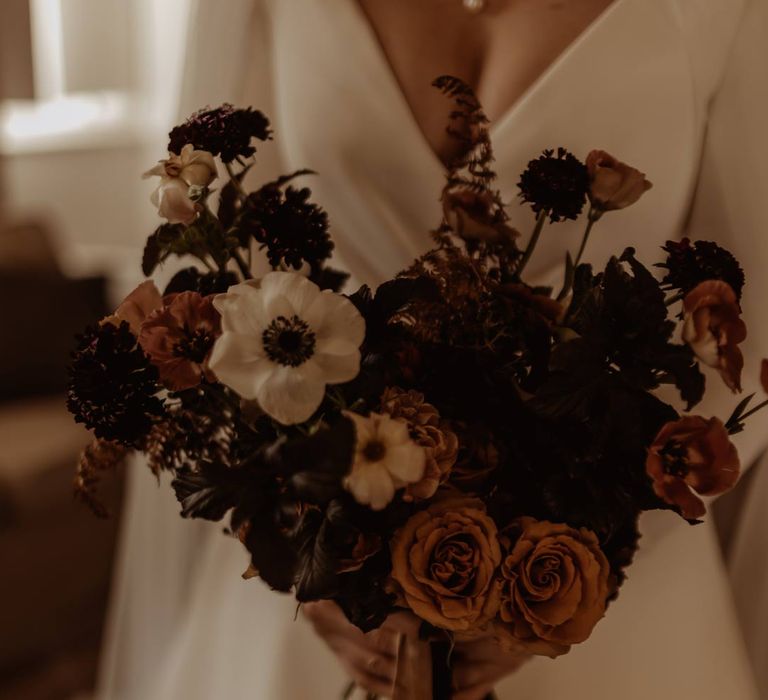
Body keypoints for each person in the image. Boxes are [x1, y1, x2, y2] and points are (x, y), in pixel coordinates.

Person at [97, 0, 768, 698]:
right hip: (326, 577)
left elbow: (752, 315)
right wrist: (299, 561)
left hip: (612, 585)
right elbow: (232, 281)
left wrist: (575, 573)